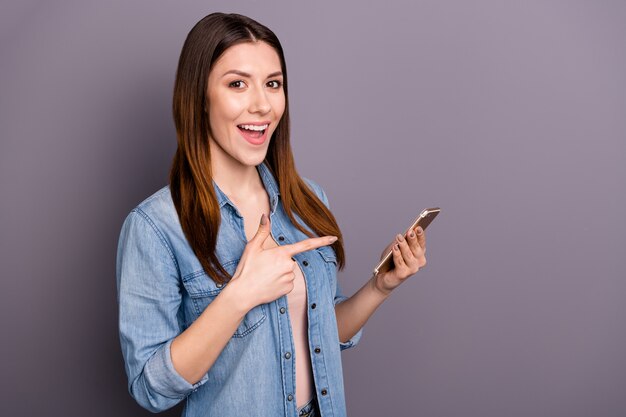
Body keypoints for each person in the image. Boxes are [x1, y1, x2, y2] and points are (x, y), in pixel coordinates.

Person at [116, 12, 427, 417]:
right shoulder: (156, 227)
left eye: (273, 84)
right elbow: (150, 388)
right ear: (199, 97)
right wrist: (239, 296)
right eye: (237, 84)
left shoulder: (307, 199)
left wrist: (380, 287)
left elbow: (318, 334)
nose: (262, 105)